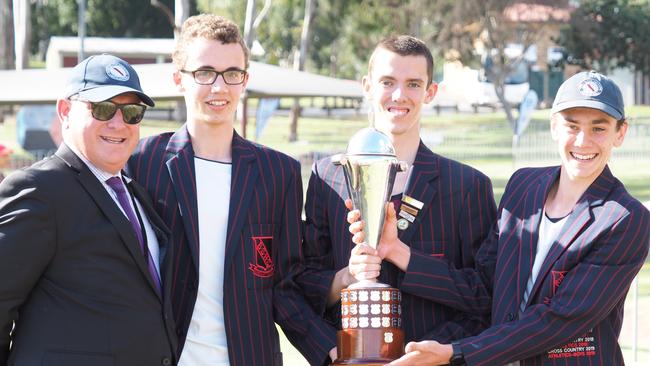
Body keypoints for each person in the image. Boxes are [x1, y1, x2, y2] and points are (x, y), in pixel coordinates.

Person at [353, 71, 650, 365]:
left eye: (599, 129)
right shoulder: (523, 187)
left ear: (620, 133)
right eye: (572, 126)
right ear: (554, 127)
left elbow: (560, 318)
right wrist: (396, 251)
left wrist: (458, 352)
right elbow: (483, 288)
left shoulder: (625, 219)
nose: (583, 141)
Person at [127, 14, 337, 366]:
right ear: (179, 79)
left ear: (245, 81)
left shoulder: (278, 173)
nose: (219, 87)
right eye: (204, 73)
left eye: (232, 74)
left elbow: (284, 286)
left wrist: (330, 349)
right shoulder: (140, 162)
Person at [297, 34, 497, 350]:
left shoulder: (467, 186)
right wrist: (346, 277)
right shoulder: (327, 178)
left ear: (431, 92)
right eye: (387, 81)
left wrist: (402, 255)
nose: (400, 94)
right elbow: (304, 284)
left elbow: (485, 296)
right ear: (367, 86)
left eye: (414, 84)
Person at [0, 54, 177, 365]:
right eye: (103, 108)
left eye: (132, 112)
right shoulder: (39, 190)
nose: (118, 122)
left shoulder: (135, 192)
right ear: (65, 111)